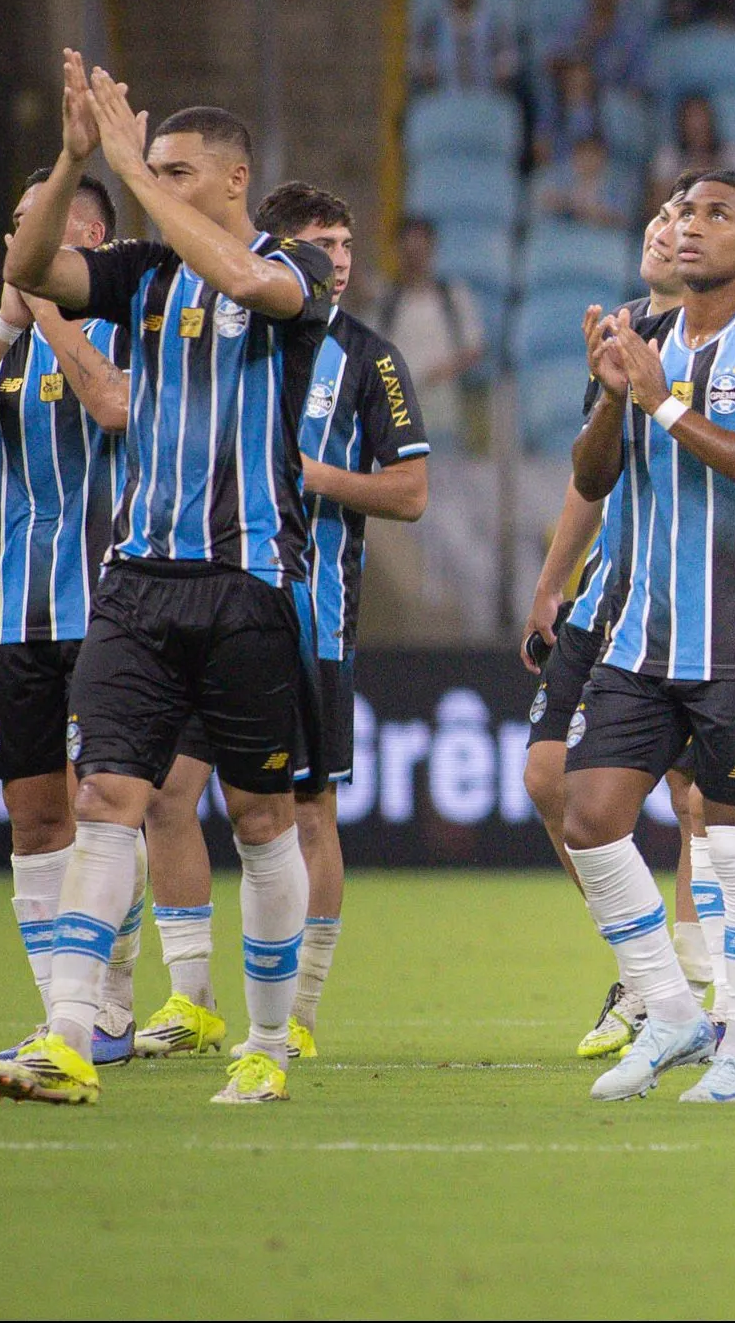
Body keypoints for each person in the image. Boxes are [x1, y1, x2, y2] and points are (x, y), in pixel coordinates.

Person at [0, 61, 333, 1106]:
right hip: (138, 580)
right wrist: (76, 158)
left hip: (248, 582)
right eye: (158, 167)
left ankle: (267, 1043)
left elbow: (242, 283)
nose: (160, 184)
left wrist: (133, 165)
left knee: (261, 816)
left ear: (233, 180)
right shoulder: (139, 272)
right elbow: (33, 264)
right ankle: (66, 1031)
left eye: (181, 171)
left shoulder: (295, 270)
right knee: (107, 799)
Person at [561, 170, 735, 1105]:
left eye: (718, 215)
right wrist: (612, 395)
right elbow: (592, 481)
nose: (691, 228)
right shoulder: (646, 338)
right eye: (683, 212)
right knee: (587, 814)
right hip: (643, 635)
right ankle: (670, 1009)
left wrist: (666, 403)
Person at [516, 204, 723, 1061]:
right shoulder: (620, 327)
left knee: (694, 799)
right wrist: (550, 580)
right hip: (609, 591)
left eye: (687, 217)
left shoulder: (734, 335)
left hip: (691, 591)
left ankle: (687, 987)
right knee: (546, 777)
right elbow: (590, 474)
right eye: (662, 212)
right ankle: (645, 976)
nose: (665, 226)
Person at [0, 172, 147, 1078]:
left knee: (102, 805)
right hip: (14, 609)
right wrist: (8, 319)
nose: (10, 235)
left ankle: (109, 1000)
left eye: (25, 222)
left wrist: (50, 311)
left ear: (81, 233)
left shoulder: (120, 320)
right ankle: (56, 1017)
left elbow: (114, 405)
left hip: (110, 605)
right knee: (34, 818)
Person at [264, 184, 432, 1053]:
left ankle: (299, 1011)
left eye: (344, 241)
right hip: (205, 599)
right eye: (317, 242)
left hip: (311, 613)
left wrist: (317, 477)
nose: (336, 257)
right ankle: (170, 1000)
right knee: (162, 793)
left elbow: (410, 491)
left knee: (309, 812)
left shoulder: (371, 357)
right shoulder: (234, 338)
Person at [371, 217, 486, 450]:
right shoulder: (387, 302)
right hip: (398, 416)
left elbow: (475, 348)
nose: (414, 260)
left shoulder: (452, 297)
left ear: (431, 251)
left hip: (445, 412)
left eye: (420, 252)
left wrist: (441, 372)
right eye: (408, 252)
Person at [409, 0, 517, 94]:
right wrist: (425, 70)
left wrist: (503, 69)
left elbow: (509, 59)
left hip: (486, 98)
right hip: (443, 99)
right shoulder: (433, 25)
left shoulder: (494, 25)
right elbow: (417, 59)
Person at [546, 0, 652, 99]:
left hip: (617, 100)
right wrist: (586, 42)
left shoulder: (632, 32)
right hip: (580, 98)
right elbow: (551, 65)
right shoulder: (574, 25)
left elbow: (640, 81)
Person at [650, 94, 735, 213]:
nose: (697, 127)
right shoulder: (668, 158)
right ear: (681, 124)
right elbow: (656, 206)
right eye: (691, 120)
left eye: (701, 120)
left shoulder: (734, 156)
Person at [538, 133, 640, 231]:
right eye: (583, 156)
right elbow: (542, 203)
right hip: (564, 234)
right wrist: (565, 203)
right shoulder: (559, 177)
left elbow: (626, 219)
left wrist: (595, 214)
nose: (587, 161)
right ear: (575, 157)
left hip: (603, 238)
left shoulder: (619, 184)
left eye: (592, 156)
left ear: (602, 157)